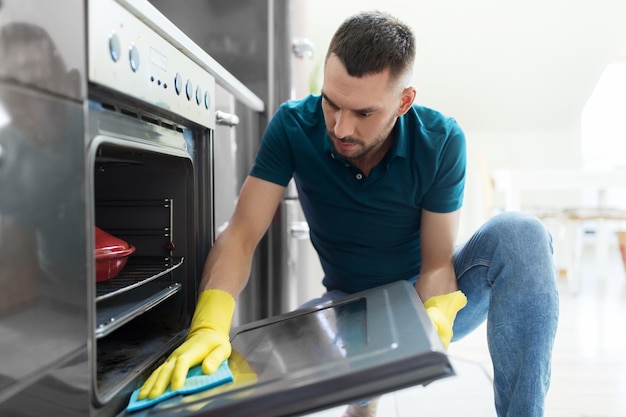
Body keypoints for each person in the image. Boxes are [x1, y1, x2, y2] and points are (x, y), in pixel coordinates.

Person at [139, 11, 559, 417]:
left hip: (424, 298)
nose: (340, 127)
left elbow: (436, 265)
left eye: (363, 113)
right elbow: (241, 234)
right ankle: (363, 396)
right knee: (243, 389)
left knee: (522, 234)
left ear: (404, 102)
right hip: (345, 310)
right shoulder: (292, 126)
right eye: (331, 103)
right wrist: (209, 324)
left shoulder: (441, 140)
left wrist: (430, 319)